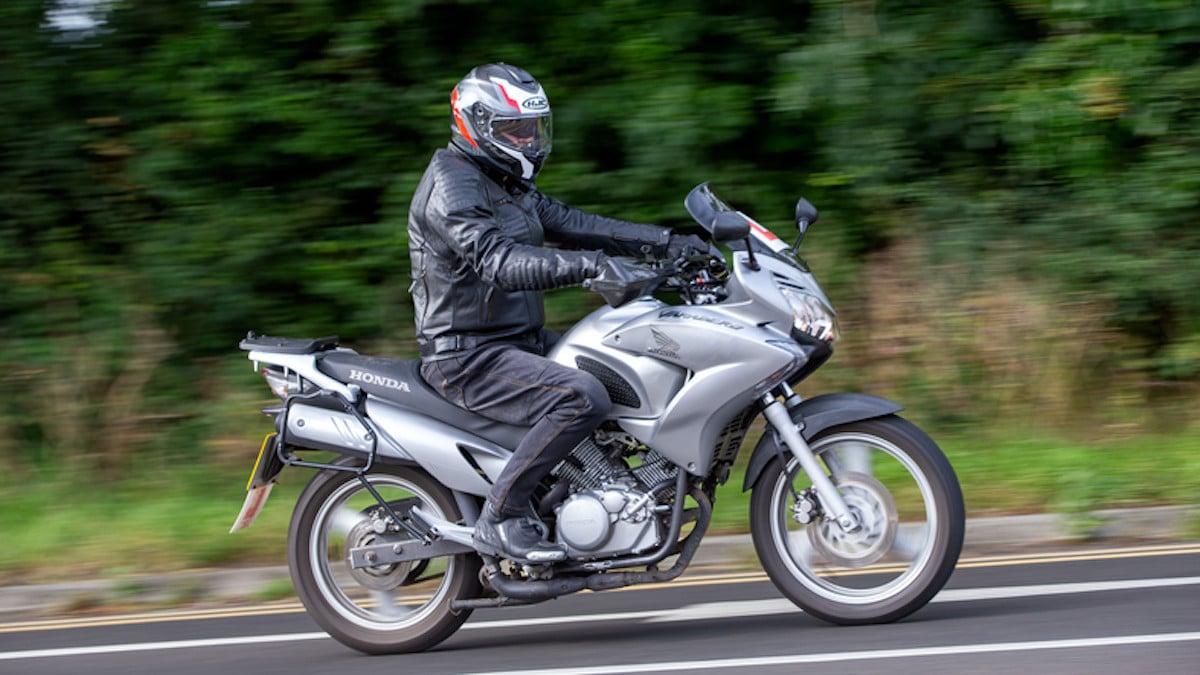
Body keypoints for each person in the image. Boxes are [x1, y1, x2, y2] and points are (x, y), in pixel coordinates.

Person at [406, 63, 708, 563]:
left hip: (515, 341)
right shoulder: (452, 187)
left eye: (533, 129)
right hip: (467, 356)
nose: (528, 141)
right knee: (583, 395)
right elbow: (497, 262)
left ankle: (600, 497)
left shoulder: (501, 181)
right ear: (476, 125)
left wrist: (667, 242)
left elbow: (573, 223)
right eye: (514, 130)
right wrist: (591, 269)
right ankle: (500, 517)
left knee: (622, 368)